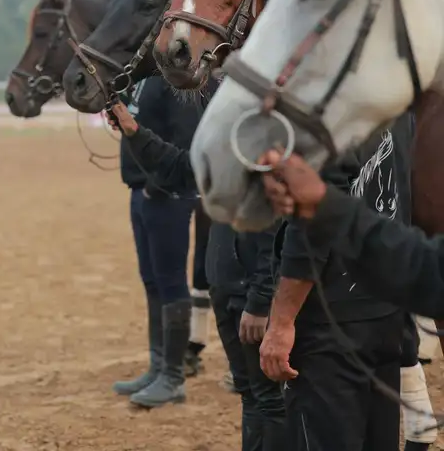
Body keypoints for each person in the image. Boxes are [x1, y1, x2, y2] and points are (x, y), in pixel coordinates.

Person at [107, 99, 288, 451]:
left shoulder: (268, 155)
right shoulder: (223, 151)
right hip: (226, 290)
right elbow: (178, 166)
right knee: (250, 395)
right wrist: (134, 131)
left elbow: (273, 237)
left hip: (250, 299)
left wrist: (260, 302)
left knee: (269, 399)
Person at [260, 146, 440, 451]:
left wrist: (281, 322)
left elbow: (311, 229)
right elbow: (407, 195)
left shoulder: (326, 126)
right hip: (385, 313)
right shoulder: (399, 118)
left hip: (331, 327)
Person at [113, 77, 210, 408]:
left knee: (170, 283)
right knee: (152, 280)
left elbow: (188, 139)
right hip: (140, 190)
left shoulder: (176, 80)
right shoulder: (141, 77)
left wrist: (156, 185)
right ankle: (158, 366)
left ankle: (173, 376)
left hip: (166, 195)